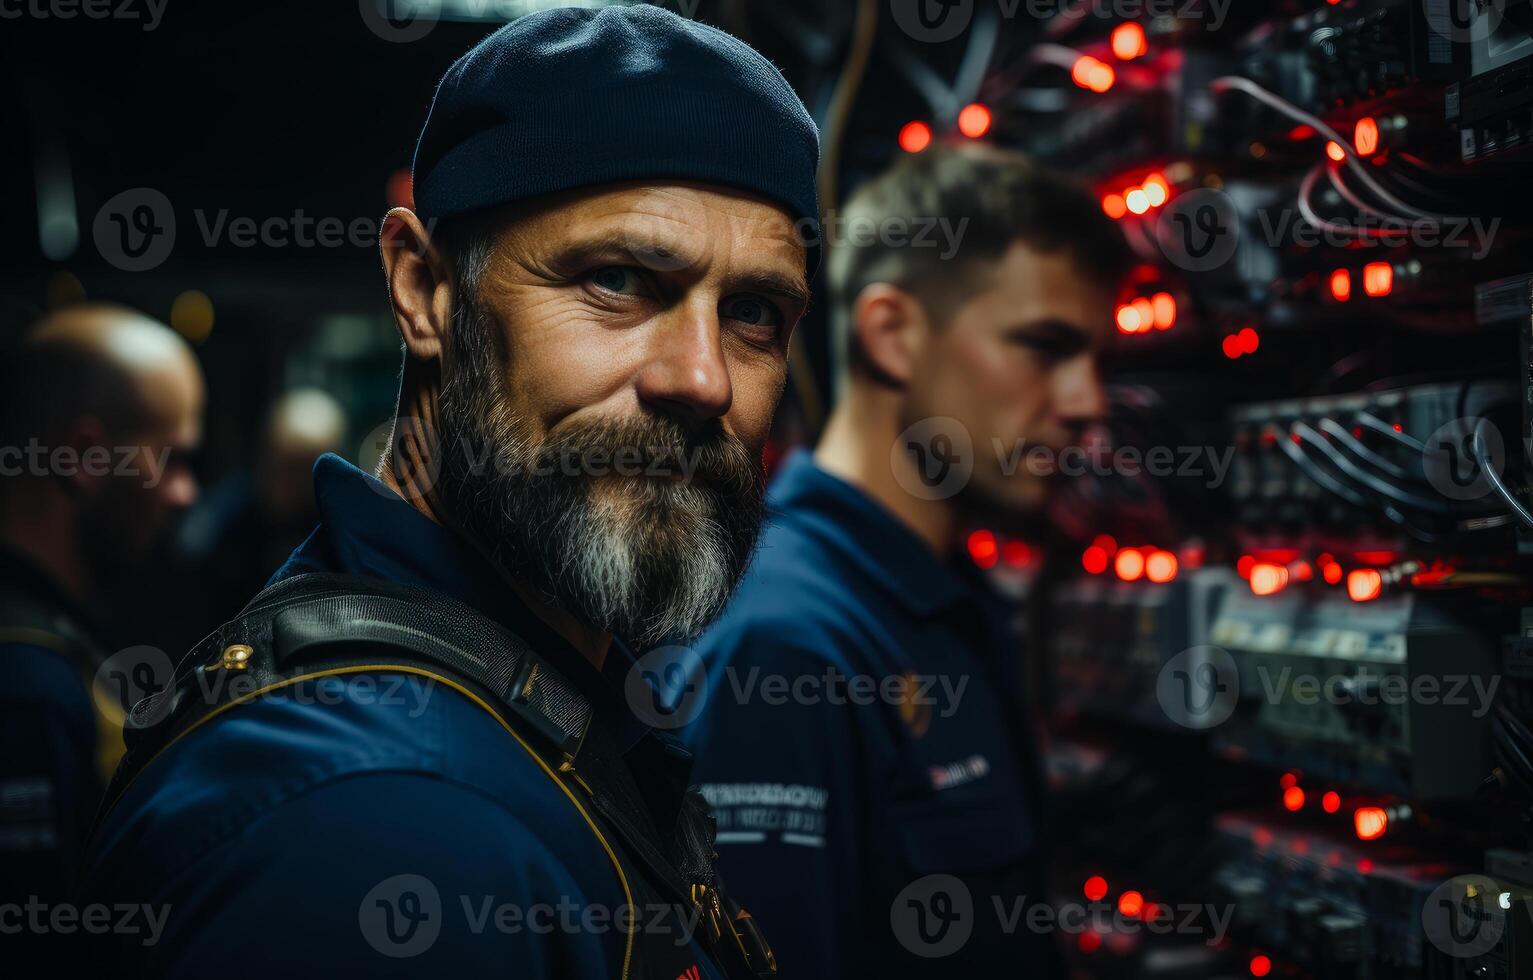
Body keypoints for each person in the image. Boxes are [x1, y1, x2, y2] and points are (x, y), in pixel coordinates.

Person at [77, 6, 817, 978]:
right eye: (617, 280)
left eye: (755, 311)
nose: (704, 377)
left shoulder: (530, 715)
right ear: (425, 289)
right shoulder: (376, 824)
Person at [681, 145, 1132, 978]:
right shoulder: (787, 645)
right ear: (891, 334)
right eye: (1044, 346)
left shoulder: (940, 602)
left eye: (1097, 362)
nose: (1086, 404)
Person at [0, 304, 203, 909]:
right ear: (85, 457)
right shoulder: (27, 686)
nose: (187, 494)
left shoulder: (51, 648)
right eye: (174, 460)